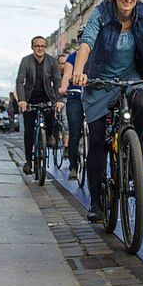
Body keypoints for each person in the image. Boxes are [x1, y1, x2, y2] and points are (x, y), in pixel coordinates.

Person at [71, 0, 143, 222]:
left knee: (140, 102)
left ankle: (133, 151)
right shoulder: (101, 13)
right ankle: (96, 203)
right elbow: (87, 42)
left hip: (130, 76)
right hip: (100, 79)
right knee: (97, 140)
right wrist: (79, 71)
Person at [16, 36, 64, 174]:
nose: (40, 48)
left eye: (42, 46)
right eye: (37, 46)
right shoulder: (26, 61)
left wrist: (59, 99)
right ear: (32, 47)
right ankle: (28, 161)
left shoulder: (52, 61)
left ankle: (49, 135)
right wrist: (22, 100)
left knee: (51, 118)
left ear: (45, 47)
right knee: (29, 131)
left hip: (47, 96)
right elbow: (20, 81)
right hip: (30, 99)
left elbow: (57, 80)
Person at [59, 26, 86, 181]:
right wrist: (64, 87)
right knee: (75, 133)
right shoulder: (72, 57)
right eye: (82, 37)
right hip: (75, 97)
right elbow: (67, 74)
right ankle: (73, 167)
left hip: (94, 97)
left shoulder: (99, 55)